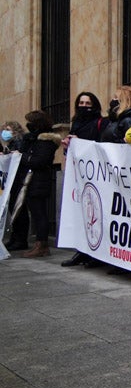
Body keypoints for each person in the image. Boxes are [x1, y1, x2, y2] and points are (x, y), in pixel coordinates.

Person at [60, 93, 106, 267]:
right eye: (81, 102)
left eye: (88, 103)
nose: (84, 105)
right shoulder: (76, 123)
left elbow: (101, 146)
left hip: (96, 176)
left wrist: (82, 143)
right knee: (82, 213)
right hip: (80, 176)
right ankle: (81, 251)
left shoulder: (101, 123)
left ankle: (95, 255)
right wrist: (69, 147)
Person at [14, 110, 62, 258]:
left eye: (31, 122)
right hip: (30, 181)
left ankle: (42, 245)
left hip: (38, 181)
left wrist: (21, 156)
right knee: (35, 213)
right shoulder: (31, 139)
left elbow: (38, 161)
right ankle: (39, 244)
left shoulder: (47, 141)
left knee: (39, 213)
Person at [3, 121, 28, 250]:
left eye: (8, 129)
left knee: (19, 210)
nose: (5, 132)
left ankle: (20, 239)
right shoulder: (11, 143)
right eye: (5, 129)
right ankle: (15, 237)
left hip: (19, 179)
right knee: (14, 208)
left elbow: (19, 157)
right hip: (14, 180)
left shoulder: (20, 141)